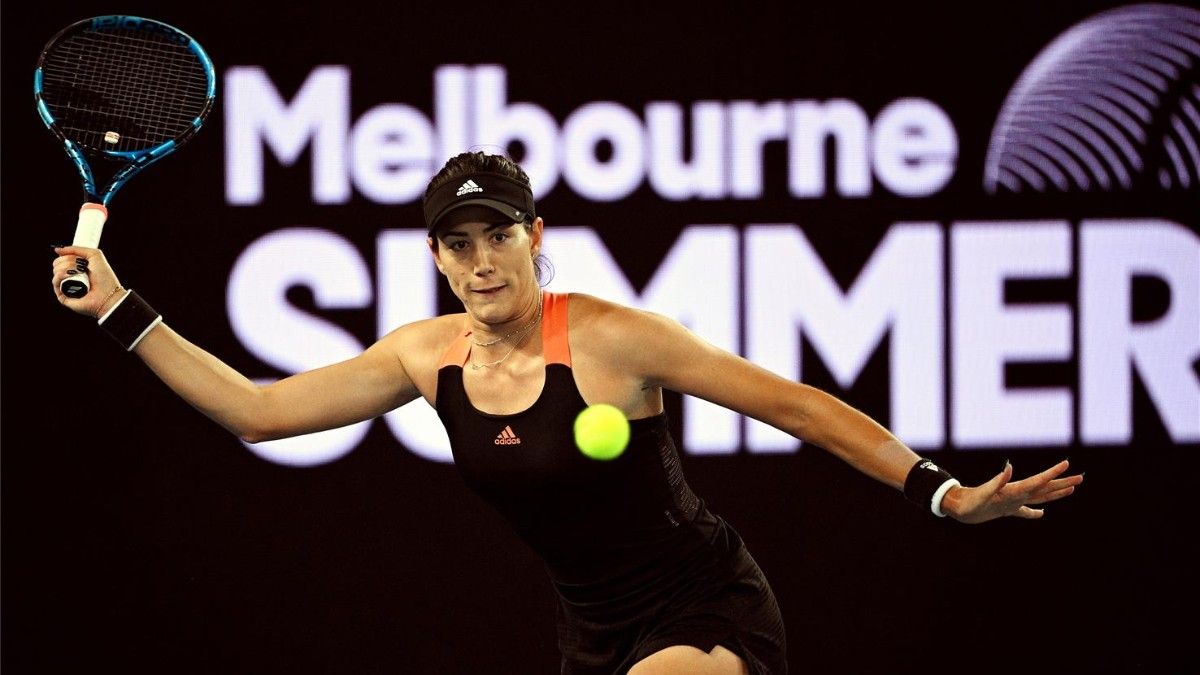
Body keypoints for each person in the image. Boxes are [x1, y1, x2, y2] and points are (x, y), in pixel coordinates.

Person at [51, 150, 1083, 675]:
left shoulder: (614, 339)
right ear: (436, 258)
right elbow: (259, 414)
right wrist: (119, 310)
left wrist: (942, 495)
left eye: (497, 234)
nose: (481, 260)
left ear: (536, 235)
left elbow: (799, 408)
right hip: (591, 639)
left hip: (705, 609)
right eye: (457, 244)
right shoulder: (425, 356)